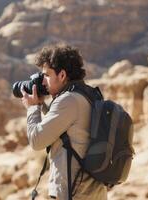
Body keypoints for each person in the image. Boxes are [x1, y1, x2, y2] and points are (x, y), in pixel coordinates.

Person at [20, 44, 107, 200]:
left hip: (73, 192)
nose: (43, 82)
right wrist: (41, 105)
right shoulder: (87, 95)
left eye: (46, 75)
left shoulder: (68, 100)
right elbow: (63, 128)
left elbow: (36, 140)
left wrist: (32, 108)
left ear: (62, 75)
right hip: (92, 190)